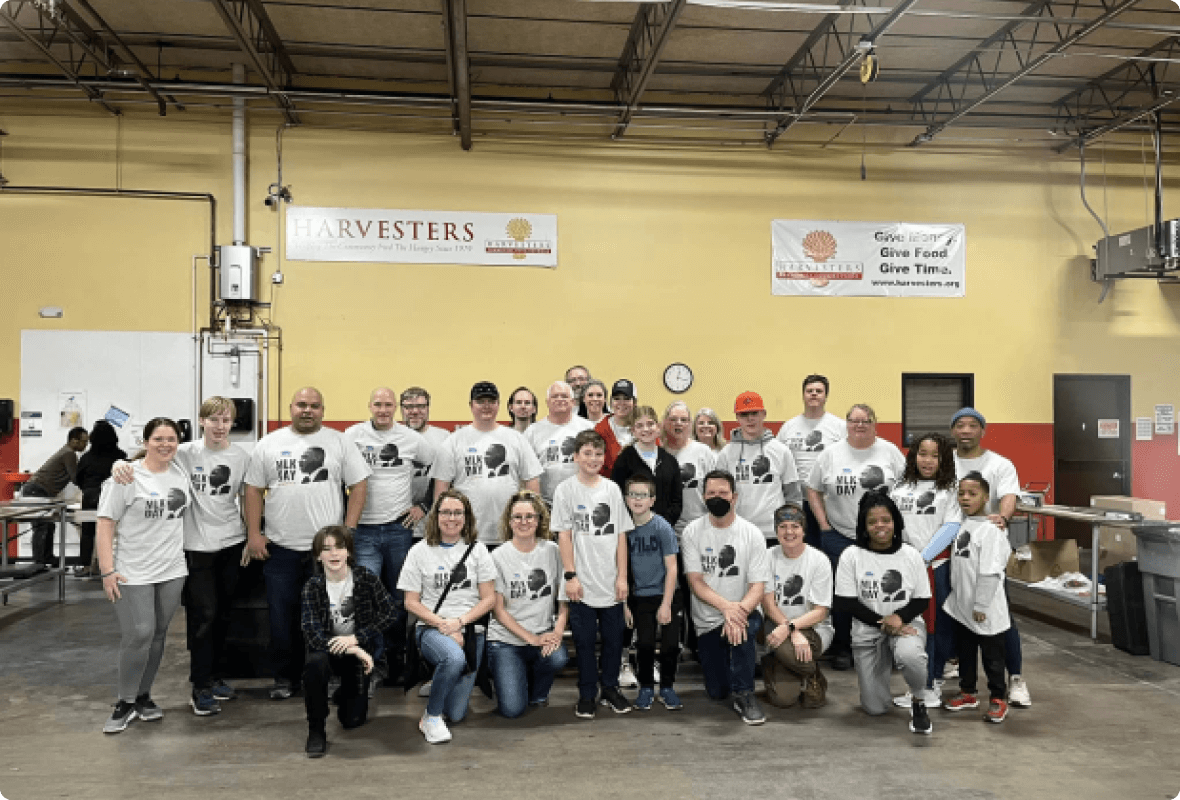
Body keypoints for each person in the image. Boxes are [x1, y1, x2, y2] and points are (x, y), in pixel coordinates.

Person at [244, 387, 372, 701]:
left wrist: (349, 530)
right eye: (302, 404)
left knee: (331, 618)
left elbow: (359, 485)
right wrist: (253, 535)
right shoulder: (269, 444)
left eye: (314, 406)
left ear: (323, 410)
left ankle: (328, 677)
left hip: (326, 551)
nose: (307, 410)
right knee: (281, 618)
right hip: (281, 548)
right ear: (291, 408)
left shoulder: (339, 441)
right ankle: (284, 679)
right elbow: (251, 490)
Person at [96, 417, 190, 734]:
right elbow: (105, 523)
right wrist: (107, 570)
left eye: (172, 439)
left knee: (159, 634)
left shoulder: (181, 472)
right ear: (146, 442)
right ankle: (124, 701)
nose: (165, 445)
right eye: (158, 439)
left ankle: (143, 696)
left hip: (172, 568)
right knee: (139, 633)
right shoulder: (126, 477)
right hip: (132, 570)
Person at [344, 387, 436, 688]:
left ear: (396, 408)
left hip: (399, 529)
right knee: (368, 599)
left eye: (388, 405)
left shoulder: (412, 439)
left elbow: (440, 471)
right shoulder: (352, 435)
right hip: (364, 531)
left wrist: (423, 506)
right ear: (369, 406)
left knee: (399, 601)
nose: (383, 410)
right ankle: (373, 663)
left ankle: (398, 664)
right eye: (378, 404)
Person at [806, 403, 906, 670]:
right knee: (844, 595)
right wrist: (824, 524)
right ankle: (842, 646)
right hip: (840, 535)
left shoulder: (890, 452)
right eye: (854, 420)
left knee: (882, 590)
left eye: (866, 420)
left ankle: (887, 643)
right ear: (846, 424)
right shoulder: (830, 454)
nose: (860, 425)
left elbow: (908, 487)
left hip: (882, 538)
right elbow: (812, 489)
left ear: (875, 423)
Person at [398, 489, 496, 744]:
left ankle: (442, 678)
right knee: (453, 657)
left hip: (469, 630)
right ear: (435, 516)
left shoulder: (478, 550)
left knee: (456, 713)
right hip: (431, 627)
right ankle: (430, 717)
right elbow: (410, 602)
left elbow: (489, 599)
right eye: (445, 512)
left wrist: (460, 623)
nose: (451, 518)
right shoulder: (419, 551)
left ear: (466, 517)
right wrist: (444, 625)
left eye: (457, 513)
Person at [949, 407, 1030, 708]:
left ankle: (1016, 679)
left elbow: (1009, 496)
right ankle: (963, 679)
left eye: (972, 425)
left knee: (999, 616)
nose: (966, 431)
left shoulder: (999, 464)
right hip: (955, 547)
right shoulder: (946, 461)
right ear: (953, 431)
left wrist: (1003, 519)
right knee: (959, 616)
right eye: (960, 425)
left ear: (983, 430)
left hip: (984, 548)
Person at [833, 492, 932, 736]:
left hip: (906, 624)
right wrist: (884, 623)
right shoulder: (851, 556)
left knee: (910, 655)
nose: (880, 526)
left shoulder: (910, 555)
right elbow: (846, 601)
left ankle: (919, 700)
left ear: (896, 522)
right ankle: (879, 686)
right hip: (868, 630)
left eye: (886, 520)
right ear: (864, 526)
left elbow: (922, 598)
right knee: (875, 708)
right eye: (872, 521)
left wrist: (898, 619)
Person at [553, 429, 633, 718]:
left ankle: (610, 688)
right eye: (587, 453)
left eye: (598, 453)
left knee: (613, 641)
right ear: (575, 457)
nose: (593, 458)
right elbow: (564, 536)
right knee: (585, 643)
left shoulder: (611, 489)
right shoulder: (566, 490)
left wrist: (622, 576)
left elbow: (622, 535)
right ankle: (587, 692)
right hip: (581, 583)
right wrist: (570, 576)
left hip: (610, 581)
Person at [681, 469, 770, 726]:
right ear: (703, 497)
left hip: (746, 610)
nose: (717, 497)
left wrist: (737, 612)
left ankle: (746, 694)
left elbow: (757, 586)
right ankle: (731, 676)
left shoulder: (752, 533)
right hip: (708, 618)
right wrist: (726, 609)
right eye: (711, 493)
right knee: (718, 691)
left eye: (723, 493)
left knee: (743, 632)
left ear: (735, 497)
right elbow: (695, 582)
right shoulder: (692, 532)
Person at [301, 525, 397, 757]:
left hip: (355, 650)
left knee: (352, 720)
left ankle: (344, 694)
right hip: (327, 651)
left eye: (340, 547)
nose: (334, 554)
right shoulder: (313, 587)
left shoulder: (364, 578)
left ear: (349, 552)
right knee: (314, 663)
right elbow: (312, 635)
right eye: (327, 549)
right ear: (318, 556)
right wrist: (356, 650)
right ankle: (316, 729)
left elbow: (390, 612)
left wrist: (357, 640)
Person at [891, 432, 961, 710]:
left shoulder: (951, 490)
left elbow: (951, 527)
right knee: (913, 627)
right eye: (922, 453)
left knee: (938, 627)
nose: (928, 460)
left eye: (935, 455)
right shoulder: (900, 489)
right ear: (913, 455)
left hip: (937, 569)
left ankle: (931, 685)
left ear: (944, 458)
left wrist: (923, 558)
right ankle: (916, 685)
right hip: (907, 570)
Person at [486, 490, 569, 718]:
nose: (524, 522)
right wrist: (531, 639)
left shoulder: (553, 551)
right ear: (509, 521)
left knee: (557, 657)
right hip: (505, 641)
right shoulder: (497, 557)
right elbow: (499, 611)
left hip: (541, 633)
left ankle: (538, 693)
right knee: (512, 710)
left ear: (539, 519)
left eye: (530, 516)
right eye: (518, 517)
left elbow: (564, 601)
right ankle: (511, 678)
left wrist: (557, 633)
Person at [432, 381, 542, 546]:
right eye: (480, 401)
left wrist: (535, 522)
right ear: (471, 405)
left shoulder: (516, 439)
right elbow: (441, 490)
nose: (486, 406)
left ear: (498, 404)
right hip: (467, 533)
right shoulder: (454, 441)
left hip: (512, 532)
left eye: (491, 401)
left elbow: (532, 482)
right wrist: (441, 529)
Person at [942, 472, 1012, 724]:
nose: (965, 498)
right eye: (961, 493)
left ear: (985, 497)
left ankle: (998, 698)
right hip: (964, 606)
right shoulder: (963, 524)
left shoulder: (991, 531)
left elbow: (991, 571)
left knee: (993, 657)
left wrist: (982, 604)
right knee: (966, 653)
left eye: (972, 493)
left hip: (985, 609)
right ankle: (968, 692)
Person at [761, 503, 833, 709]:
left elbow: (821, 611)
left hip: (814, 627)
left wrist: (792, 628)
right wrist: (787, 626)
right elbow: (767, 602)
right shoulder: (767, 556)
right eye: (782, 526)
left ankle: (787, 663)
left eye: (794, 526)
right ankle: (807, 672)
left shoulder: (819, 560)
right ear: (776, 530)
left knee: (811, 701)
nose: (789, 532)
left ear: (804, 530)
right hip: (776, 622)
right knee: (784, 700)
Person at [623, 474, 683, 711]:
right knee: (645, 644)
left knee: (670, 645)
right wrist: (625, 604)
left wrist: (666, 604)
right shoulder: (624, 530)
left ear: (652, 500)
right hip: (640, 597)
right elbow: (622, 570)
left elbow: (672, 567)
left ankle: (667, 687)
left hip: (667, 594)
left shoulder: (662, 527)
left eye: (643, 495)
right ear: (627, 499)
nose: (638, 499)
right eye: (633, 494)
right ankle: (646, 687)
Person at [713, 391, 801, 543]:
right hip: (737, 531)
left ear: (763, 414)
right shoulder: (726, 454)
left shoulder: (781, 451)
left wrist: (790, 529)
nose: (750, 418)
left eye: (754, 413)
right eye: (744, 414)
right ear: (737, 418)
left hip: (774, 532)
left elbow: (793, 496)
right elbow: (718, 496)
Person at [776, 374, 846, 546]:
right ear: (803, 395)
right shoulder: (789, 427)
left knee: (829, 546)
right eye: (809, 391)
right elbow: (777, 461)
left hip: (830, 502)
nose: (814, 394)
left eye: (818, 391)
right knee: (800, 548)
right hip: (798, 502)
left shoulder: (839, 426)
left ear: (825, 396)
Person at [22, 426, 89, 566]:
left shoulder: (67, 452)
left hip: (39, 491)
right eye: (84, 442)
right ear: (73, 440)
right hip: (36, 490)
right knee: (41, 526)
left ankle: (47, 558)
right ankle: (39, 562)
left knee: (49, 526)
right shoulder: (69, 453)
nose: (86, 445)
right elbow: (75, 478)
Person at [611, 405, 683, 527]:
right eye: (640, 425)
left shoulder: (669, 460)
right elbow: (617, 497)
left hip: (663, 528)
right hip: (633, 530)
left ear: (658, 427)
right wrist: (635, 524)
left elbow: (676, 501)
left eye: (650, 424)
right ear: (633, 431)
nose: (646, 429)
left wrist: (663, 525)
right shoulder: (624, 459)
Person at [524, 381, 593, 506]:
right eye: (555, 396)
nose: (560, 399)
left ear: (573, 401)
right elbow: (527, 472)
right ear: (547, 402)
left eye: (564, 396)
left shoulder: (588, 428)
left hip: (583, 500)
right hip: (547, 504)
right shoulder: (533, 432)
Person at [74, 421, 126, 577]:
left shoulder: (86, 458)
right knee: (113, 533)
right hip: (112, 497)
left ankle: (86, 566)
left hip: (90, 498)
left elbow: (78, 479)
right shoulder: (121, 456)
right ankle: (111, 566)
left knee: (88, 533)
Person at [399, 386, 451, 539]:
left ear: (428, 408)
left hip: (433, 523)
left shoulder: (444, 438)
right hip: (398, 523)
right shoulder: (394, 437)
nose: (415, 411)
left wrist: (425, 506)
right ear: (401, 409)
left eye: (421, 406)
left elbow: (450, 479)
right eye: (409, 407)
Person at [593, 379, 637, 477]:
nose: (621, 403)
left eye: (626, 398)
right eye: (617, 398)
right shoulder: (600, 430)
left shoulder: (646, 428)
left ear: (635, 402)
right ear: (611, 402)